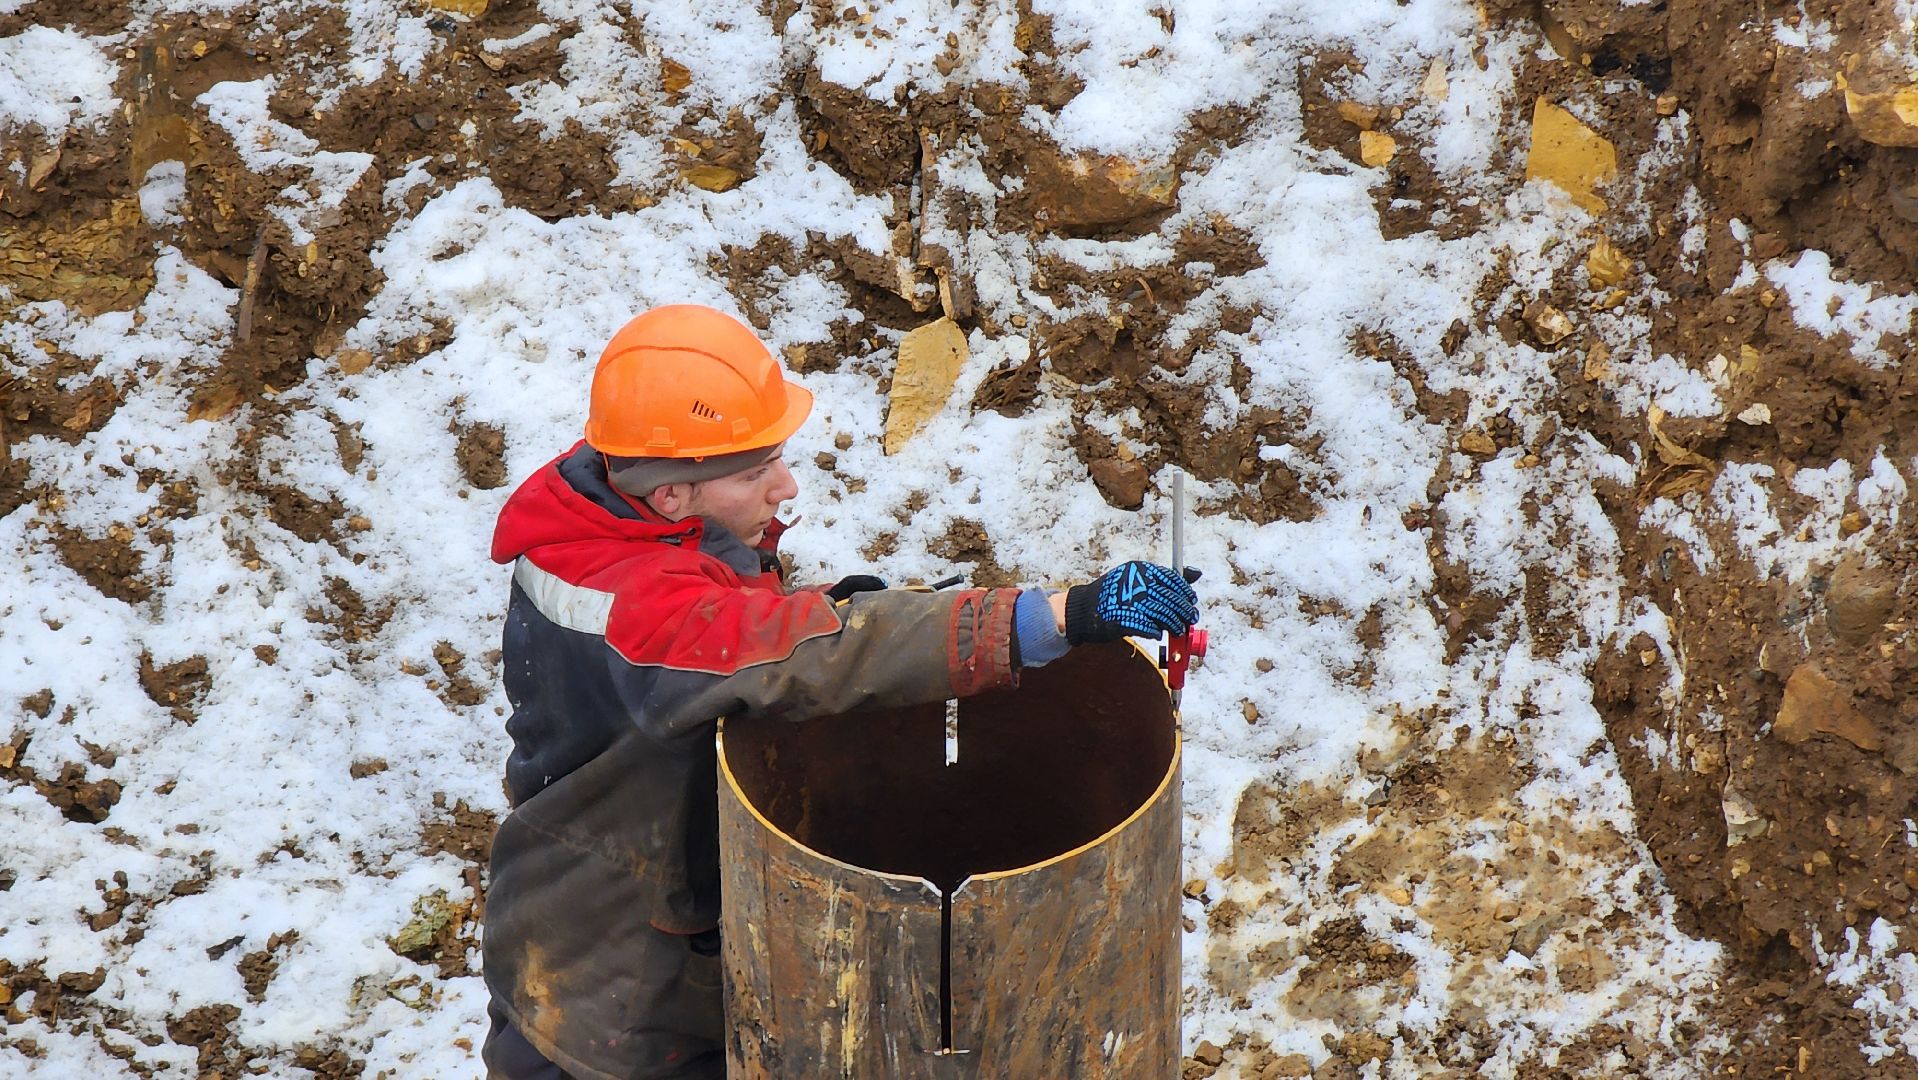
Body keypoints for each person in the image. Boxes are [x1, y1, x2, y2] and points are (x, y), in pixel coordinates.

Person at [480, 304, 1201, 1079]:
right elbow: (803, 653)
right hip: (608, 1009)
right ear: (672, 497)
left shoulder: (611, 502)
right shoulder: (635, 610)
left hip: (627, 928)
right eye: (756, 472)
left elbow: (739, 618)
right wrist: (1058, 616)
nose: (785, 487)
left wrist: (835, 601)